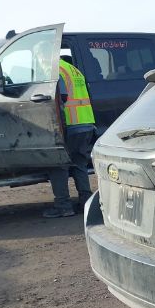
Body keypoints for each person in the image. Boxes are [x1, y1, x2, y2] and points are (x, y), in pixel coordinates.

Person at [37, 44, 96, 218]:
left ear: (46, 56)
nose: (39, 62)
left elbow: (61, 97)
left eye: (39, 58)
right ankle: (86, 202)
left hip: (69, 125)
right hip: (85, 123)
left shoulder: (53, 69)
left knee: (58, 165)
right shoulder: (72, 68)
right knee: (79, 164)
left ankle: (63, 206)